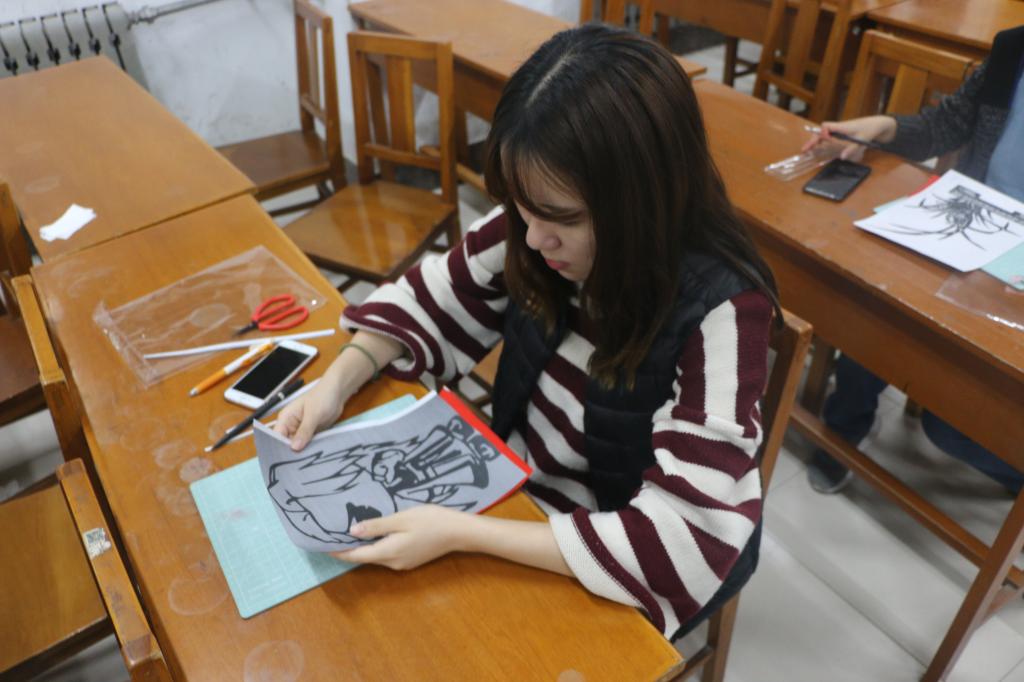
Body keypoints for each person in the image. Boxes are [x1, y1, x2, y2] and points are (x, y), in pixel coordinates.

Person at [276, 24, 780, 640]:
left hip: (606, 549)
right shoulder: (534, 227)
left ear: (641, 201)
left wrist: (464, 533)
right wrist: (338, 380)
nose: (537, 239)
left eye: (561, 219)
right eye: (523, 208)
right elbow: (432, 298)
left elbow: (683, 541)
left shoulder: (725, 312)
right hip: (516, 496)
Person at [802, 25, 1024, 495]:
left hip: (1013, 281)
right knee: (880, 308)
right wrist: (883, 127)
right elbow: (946, 123)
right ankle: (845, 428)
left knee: (952, 427)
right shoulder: (1013, 48)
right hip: (970, 229)